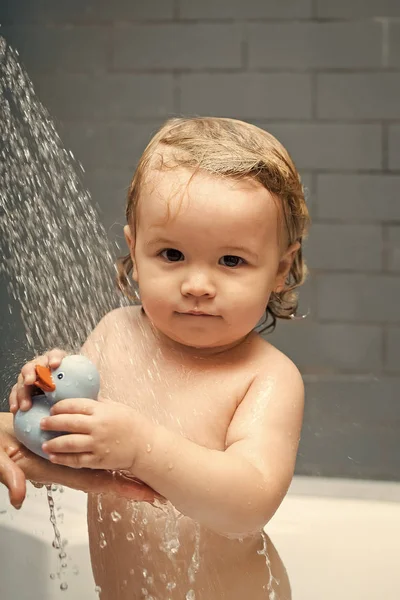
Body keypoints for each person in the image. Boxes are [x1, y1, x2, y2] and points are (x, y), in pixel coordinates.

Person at [3, 117, 310, 599]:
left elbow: (248, 503)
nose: (197, 285)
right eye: (171, 254)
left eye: (231, 261)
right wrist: (42, 397)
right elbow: (82, 450)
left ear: (280, 269)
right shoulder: (116, 333)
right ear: (134, 249)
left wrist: (142, 447)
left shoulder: (265, 377)